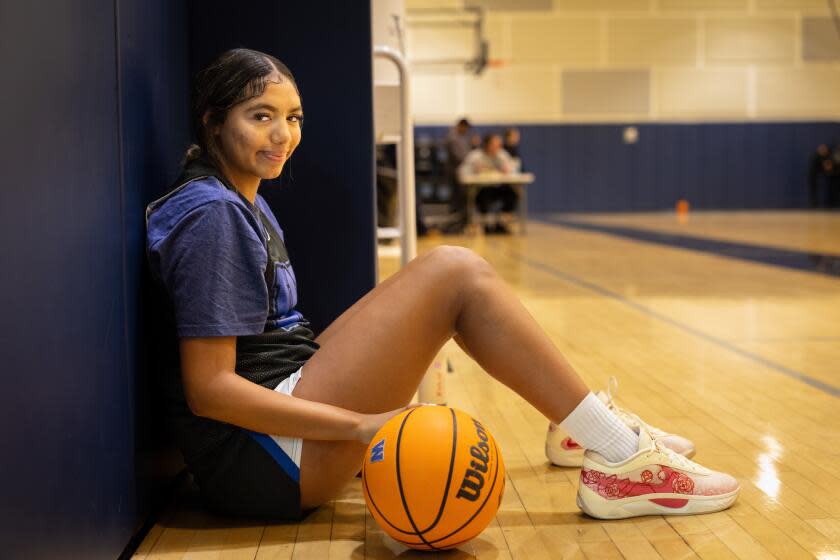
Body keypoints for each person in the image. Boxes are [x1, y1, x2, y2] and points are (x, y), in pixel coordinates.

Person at [145, 48, 739, 522]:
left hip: (277, 436)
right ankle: (618, 454)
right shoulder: (211, 216)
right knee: (454, 271)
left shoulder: (238, 201)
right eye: (260, 116)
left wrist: (398, 360)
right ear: (213, 120)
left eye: (293, 117)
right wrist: (358, 426)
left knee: (443, 279)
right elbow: (211, 390)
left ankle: (584, 430)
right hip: (265, 463)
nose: (282, 135)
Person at [458, 133, 520, 234]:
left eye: (499, 144)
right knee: (483, 196)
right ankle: (486, 225)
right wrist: (474, 171)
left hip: (498, 187)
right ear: (487, 144)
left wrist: (508, 170)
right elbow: (462, 172)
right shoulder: (476, 156)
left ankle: (502, 223)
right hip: (481, 189)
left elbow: (513, 170)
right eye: (495, 144)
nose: (498, 147)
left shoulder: (502, 154)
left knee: (512, 193)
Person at [443, 118, 473, 228]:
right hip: (454, 173)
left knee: (461, 198)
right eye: (466, 128)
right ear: (461, 126)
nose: (466, 131)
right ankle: (456, 224)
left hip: (461, 172)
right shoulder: (453, 137)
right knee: (457, 198)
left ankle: (461, 222)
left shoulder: (461, 136)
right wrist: (470, 160)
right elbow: (460, 156)